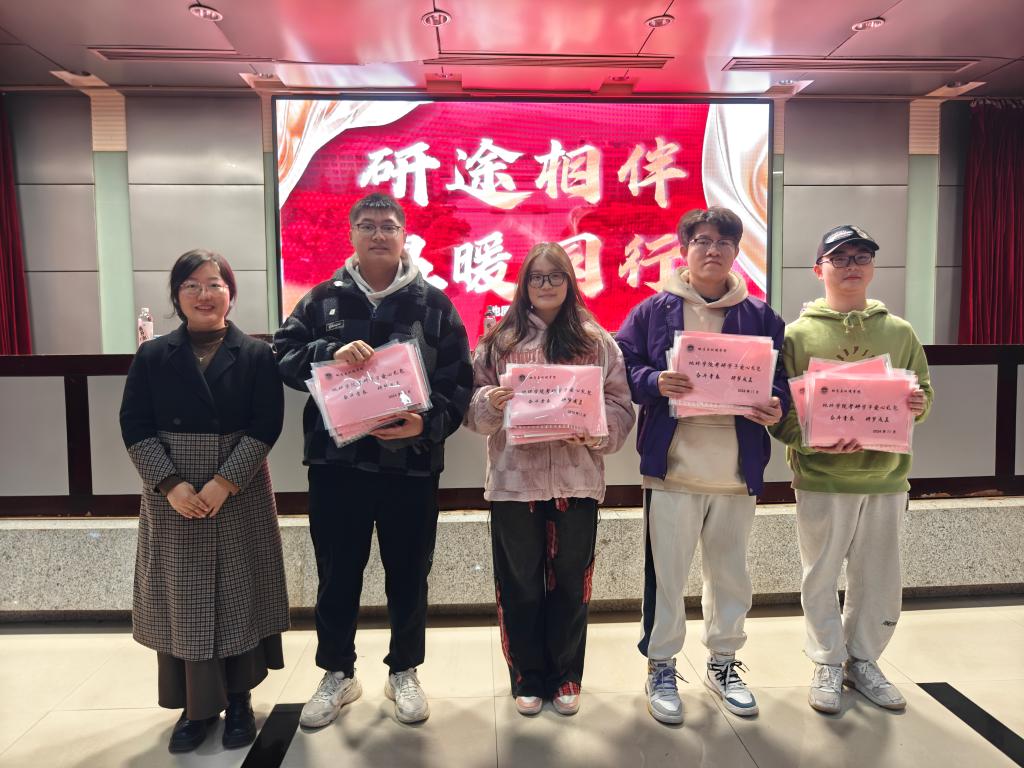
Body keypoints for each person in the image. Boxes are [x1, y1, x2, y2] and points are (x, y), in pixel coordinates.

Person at [274, 192, 473, 727]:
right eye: (367, 225)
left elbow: (459, 381)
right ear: (352, 235)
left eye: (388, 225)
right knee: (337, 574)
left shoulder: (434, 305)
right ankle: (337, 673)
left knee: (409, 575)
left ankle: (403, 670)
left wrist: (426, 424)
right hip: (337, 466)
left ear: (404, 235)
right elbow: (282, 357)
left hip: (411, 466)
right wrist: (327, 353)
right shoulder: (322, 300)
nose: (378, 234)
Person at [615, 207, 788, 725]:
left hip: (736, 468)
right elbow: (622, 365)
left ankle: (723, 662)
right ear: (684, 248)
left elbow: (781, 380)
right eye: (702, 241)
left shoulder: (760, 316)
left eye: (724, 242)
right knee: (667, 576)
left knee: (730, 573)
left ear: (736, 252)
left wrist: (775, 404)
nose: (713, 250)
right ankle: (662, 665)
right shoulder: (652, 310)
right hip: (672, 467)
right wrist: (653, 382)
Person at [119, 249, 289, 753]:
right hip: (174, 496)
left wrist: (224, 482)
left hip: (238, 489)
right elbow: (135, 425)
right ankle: (194, 710)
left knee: (239, 593)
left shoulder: (256, 354)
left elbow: (266, 425)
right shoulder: (153, 355)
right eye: (191, 285)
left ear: (230, 293)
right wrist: (171, 485)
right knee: (183, 599)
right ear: (177, 296)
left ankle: (239, 701)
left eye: (214, 284)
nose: (204, 294)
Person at [465, 243, 635, 716]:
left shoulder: (595, 340)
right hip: (514, 483)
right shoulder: (500, 340)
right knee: (519, 582)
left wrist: (597, 431)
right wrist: (489, 403)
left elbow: (620, 405)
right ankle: (527, 676)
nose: (545, 285)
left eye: (555, 276)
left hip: (576, 482)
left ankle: (565, 675)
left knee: (571, 582)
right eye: (537, 277)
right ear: (524, 283)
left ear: (569, 282)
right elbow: (471, 407)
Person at [769, 224, 932, 714]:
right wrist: (811, 440)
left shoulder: (899, 332)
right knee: (819, 575)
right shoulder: (796, 335)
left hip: (886, 477)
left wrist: (917, 404)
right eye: (839, 258)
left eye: (861, 257)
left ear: (873, 267)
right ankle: (826, 660)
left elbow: (923, 393)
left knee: (878, 577)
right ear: (818, 269)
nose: (852, 266)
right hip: (822, 477)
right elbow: (779, 411)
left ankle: (863, 660)